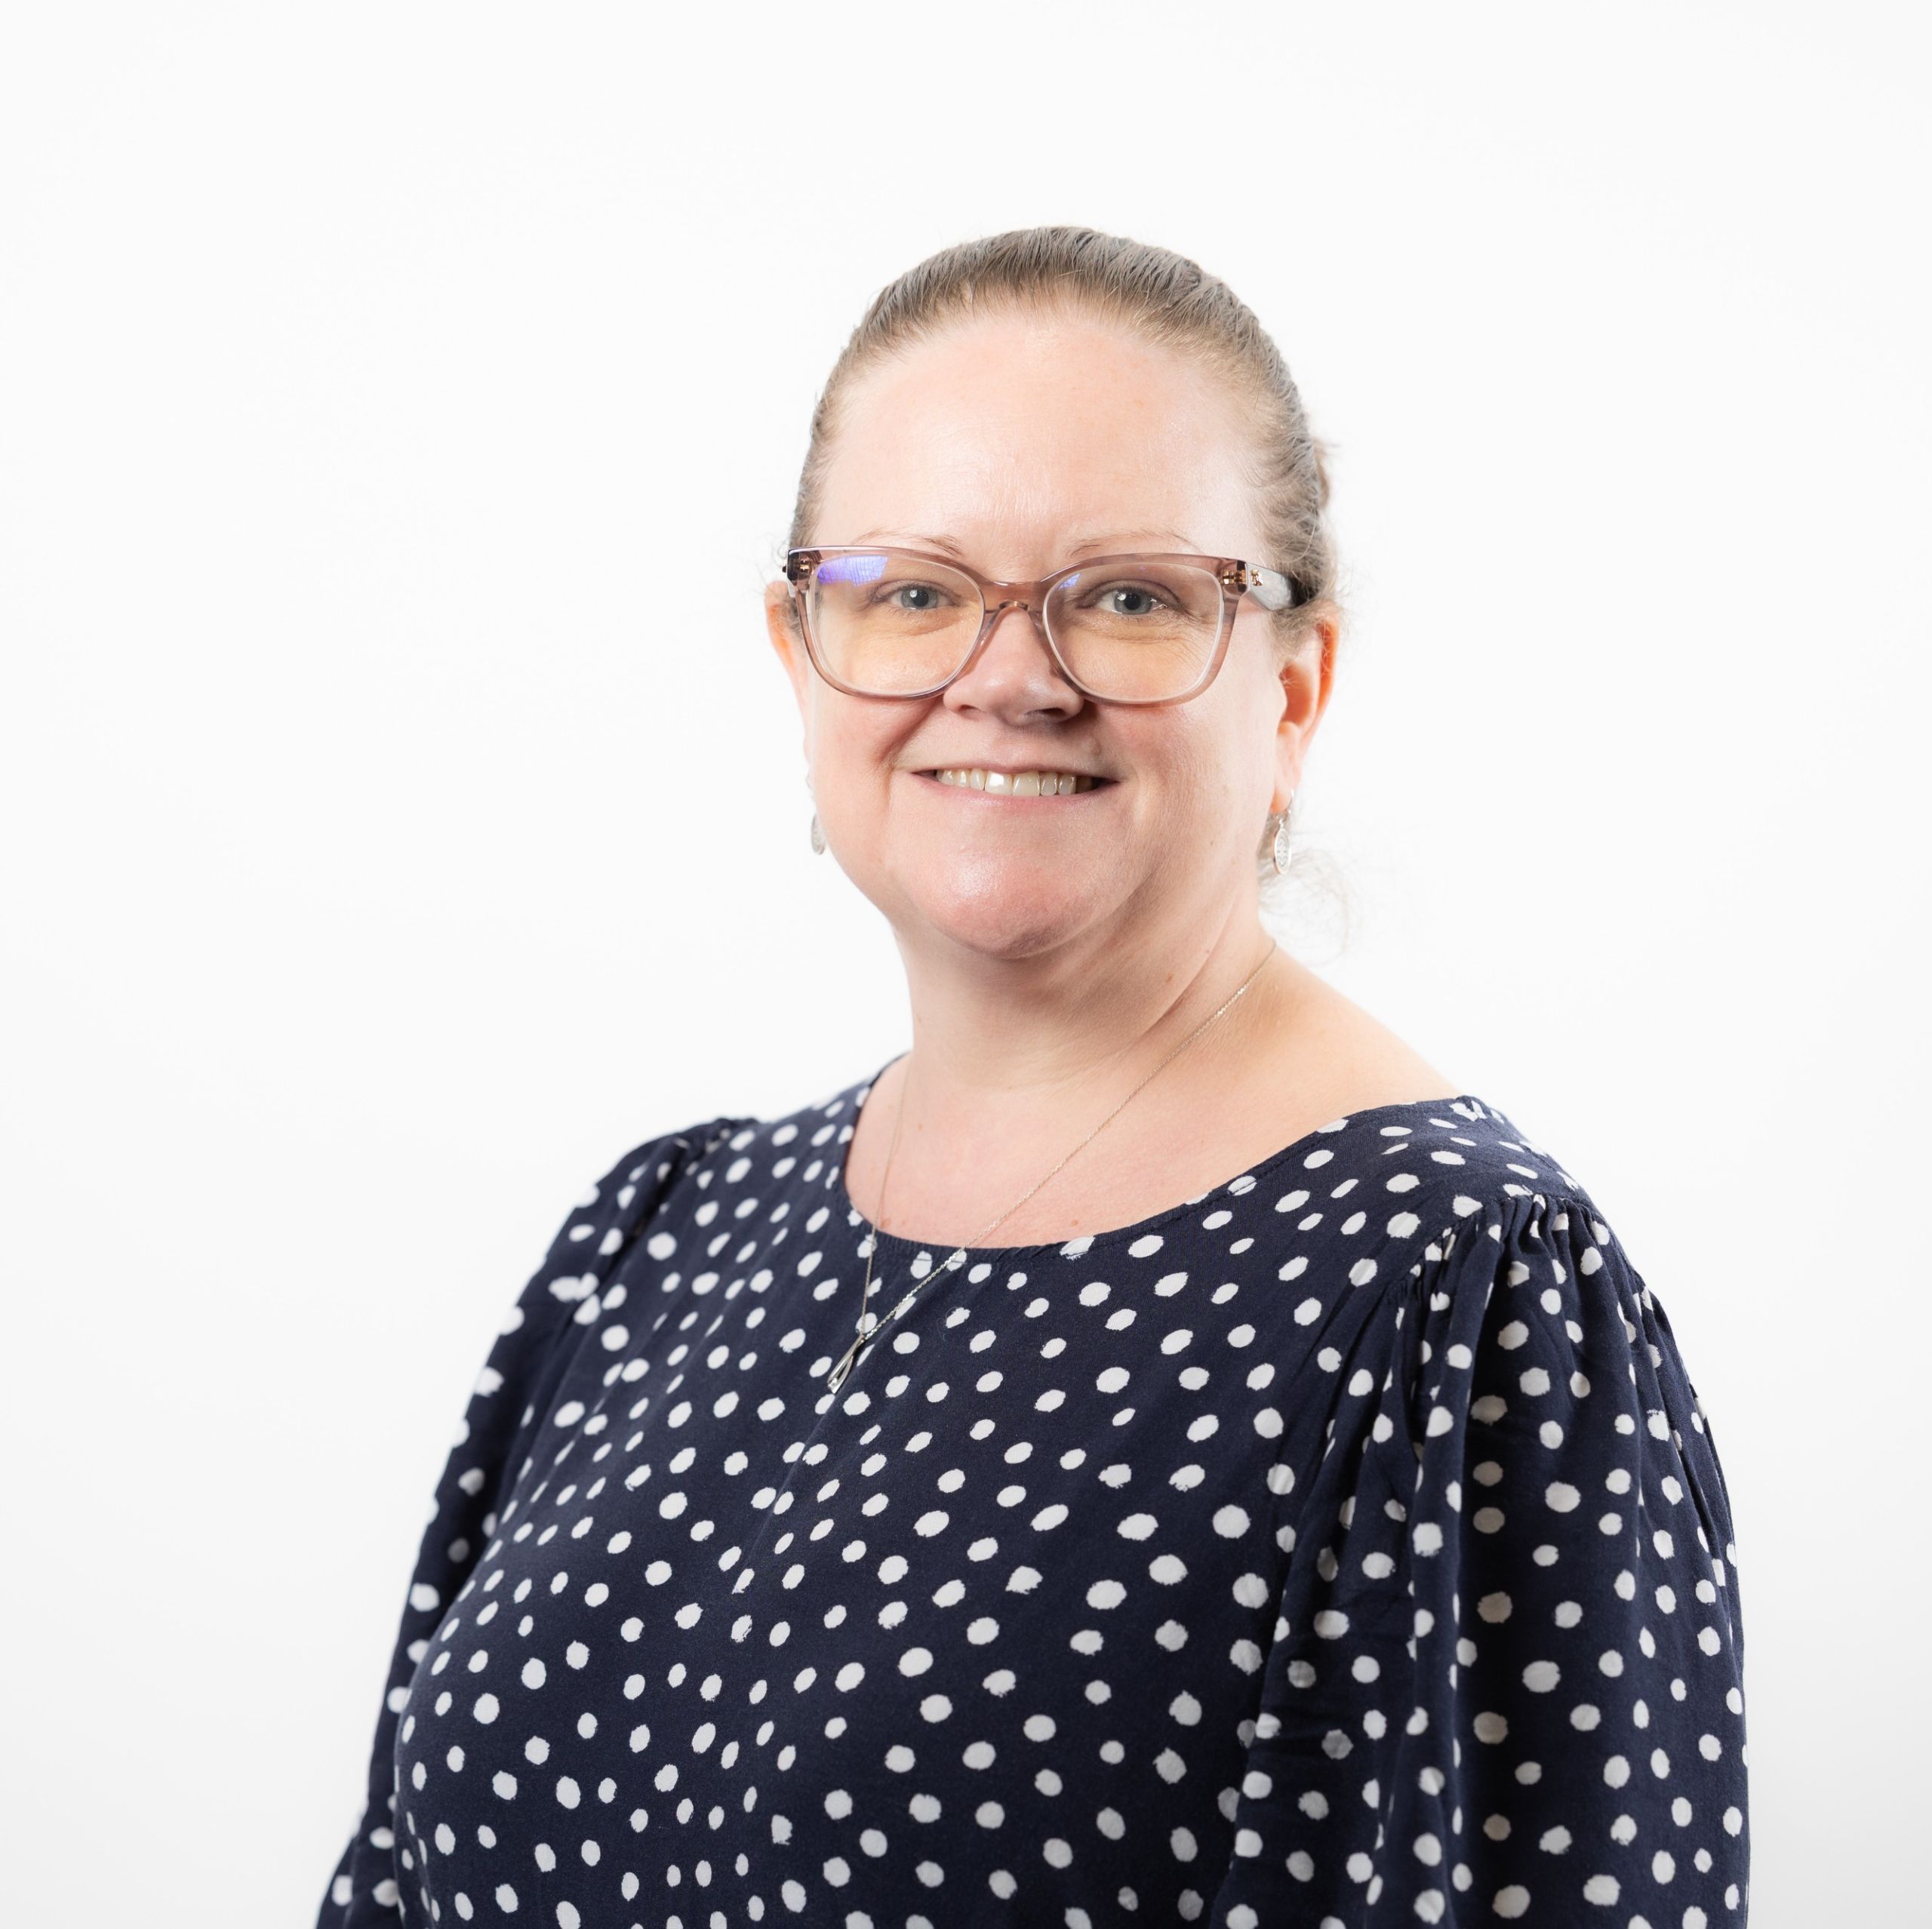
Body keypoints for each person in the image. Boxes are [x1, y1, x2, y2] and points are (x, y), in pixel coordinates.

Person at [317, 226, 1749, 1927]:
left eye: (1130, 599)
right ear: (800, 654)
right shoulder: (664, 1240)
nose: (1005, 678)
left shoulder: (1453, 1304)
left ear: (1294, 688)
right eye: (914, 591)